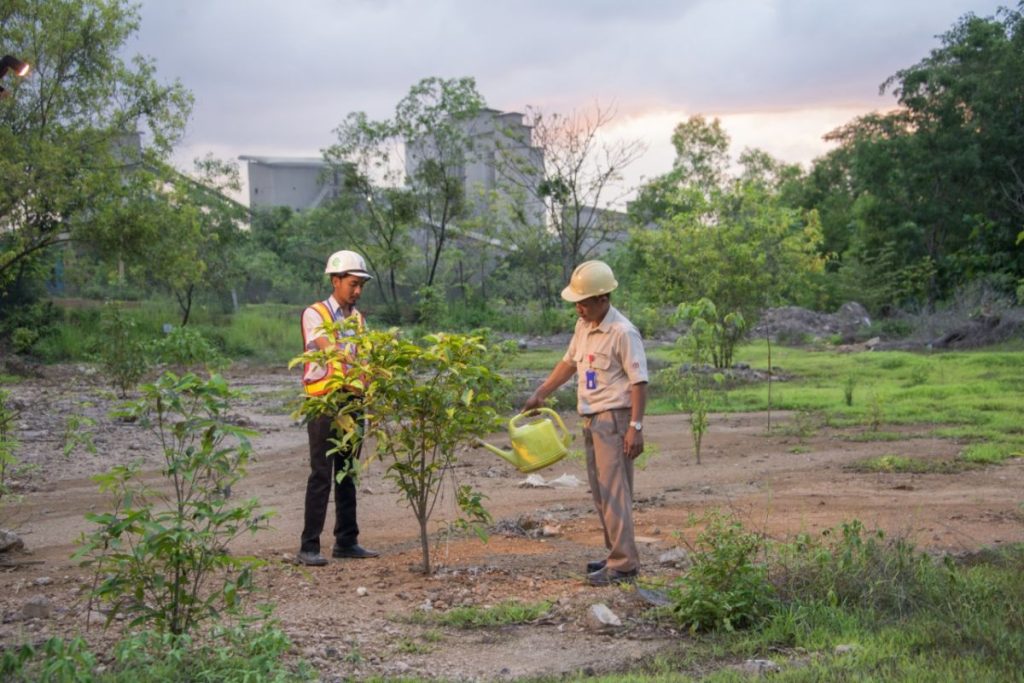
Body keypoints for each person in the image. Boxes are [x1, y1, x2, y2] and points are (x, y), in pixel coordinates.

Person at [522, 261, 648, 586]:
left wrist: (635, 427)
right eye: (576, 302)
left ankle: (624, 563)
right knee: (601, 492)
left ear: (603, 299)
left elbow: (639, 382)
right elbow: (568, 364)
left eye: (584, 302)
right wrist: (542, 392)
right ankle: (615, 555)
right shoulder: (584, 327)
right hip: (591, 419)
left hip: (615, 418)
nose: (578, 308)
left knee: (615, 491)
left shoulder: (623, 332)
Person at [295, 250, 380, 566]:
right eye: (353, 284)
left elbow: (366, 357)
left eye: (361, 286)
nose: (357, 291)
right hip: (323, 402)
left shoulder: (358, 320)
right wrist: (360, 361)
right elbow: (329, 350)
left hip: (353, 402)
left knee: (348, 472)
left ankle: (346, 540)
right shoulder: (315, 314)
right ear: (336, 280)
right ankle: (309, 546)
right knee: (321, 473)